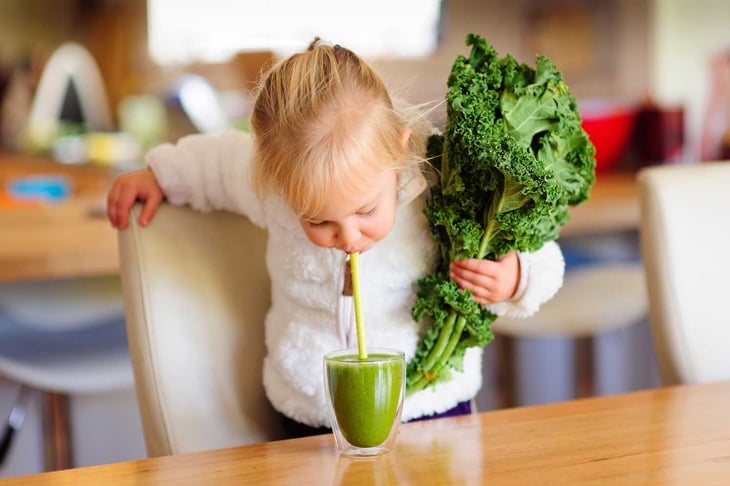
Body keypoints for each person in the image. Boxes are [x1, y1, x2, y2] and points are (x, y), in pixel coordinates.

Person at [107, 38, 565, 438]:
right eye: (319, 221)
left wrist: (517, 278)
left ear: (400, 152)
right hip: (309, 411)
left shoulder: (440, 184)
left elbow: (539, 251)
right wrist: (160, 174)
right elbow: (216, 162)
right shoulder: (272, 185)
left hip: (433, 408)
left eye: (366, 211)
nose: (347, 236)